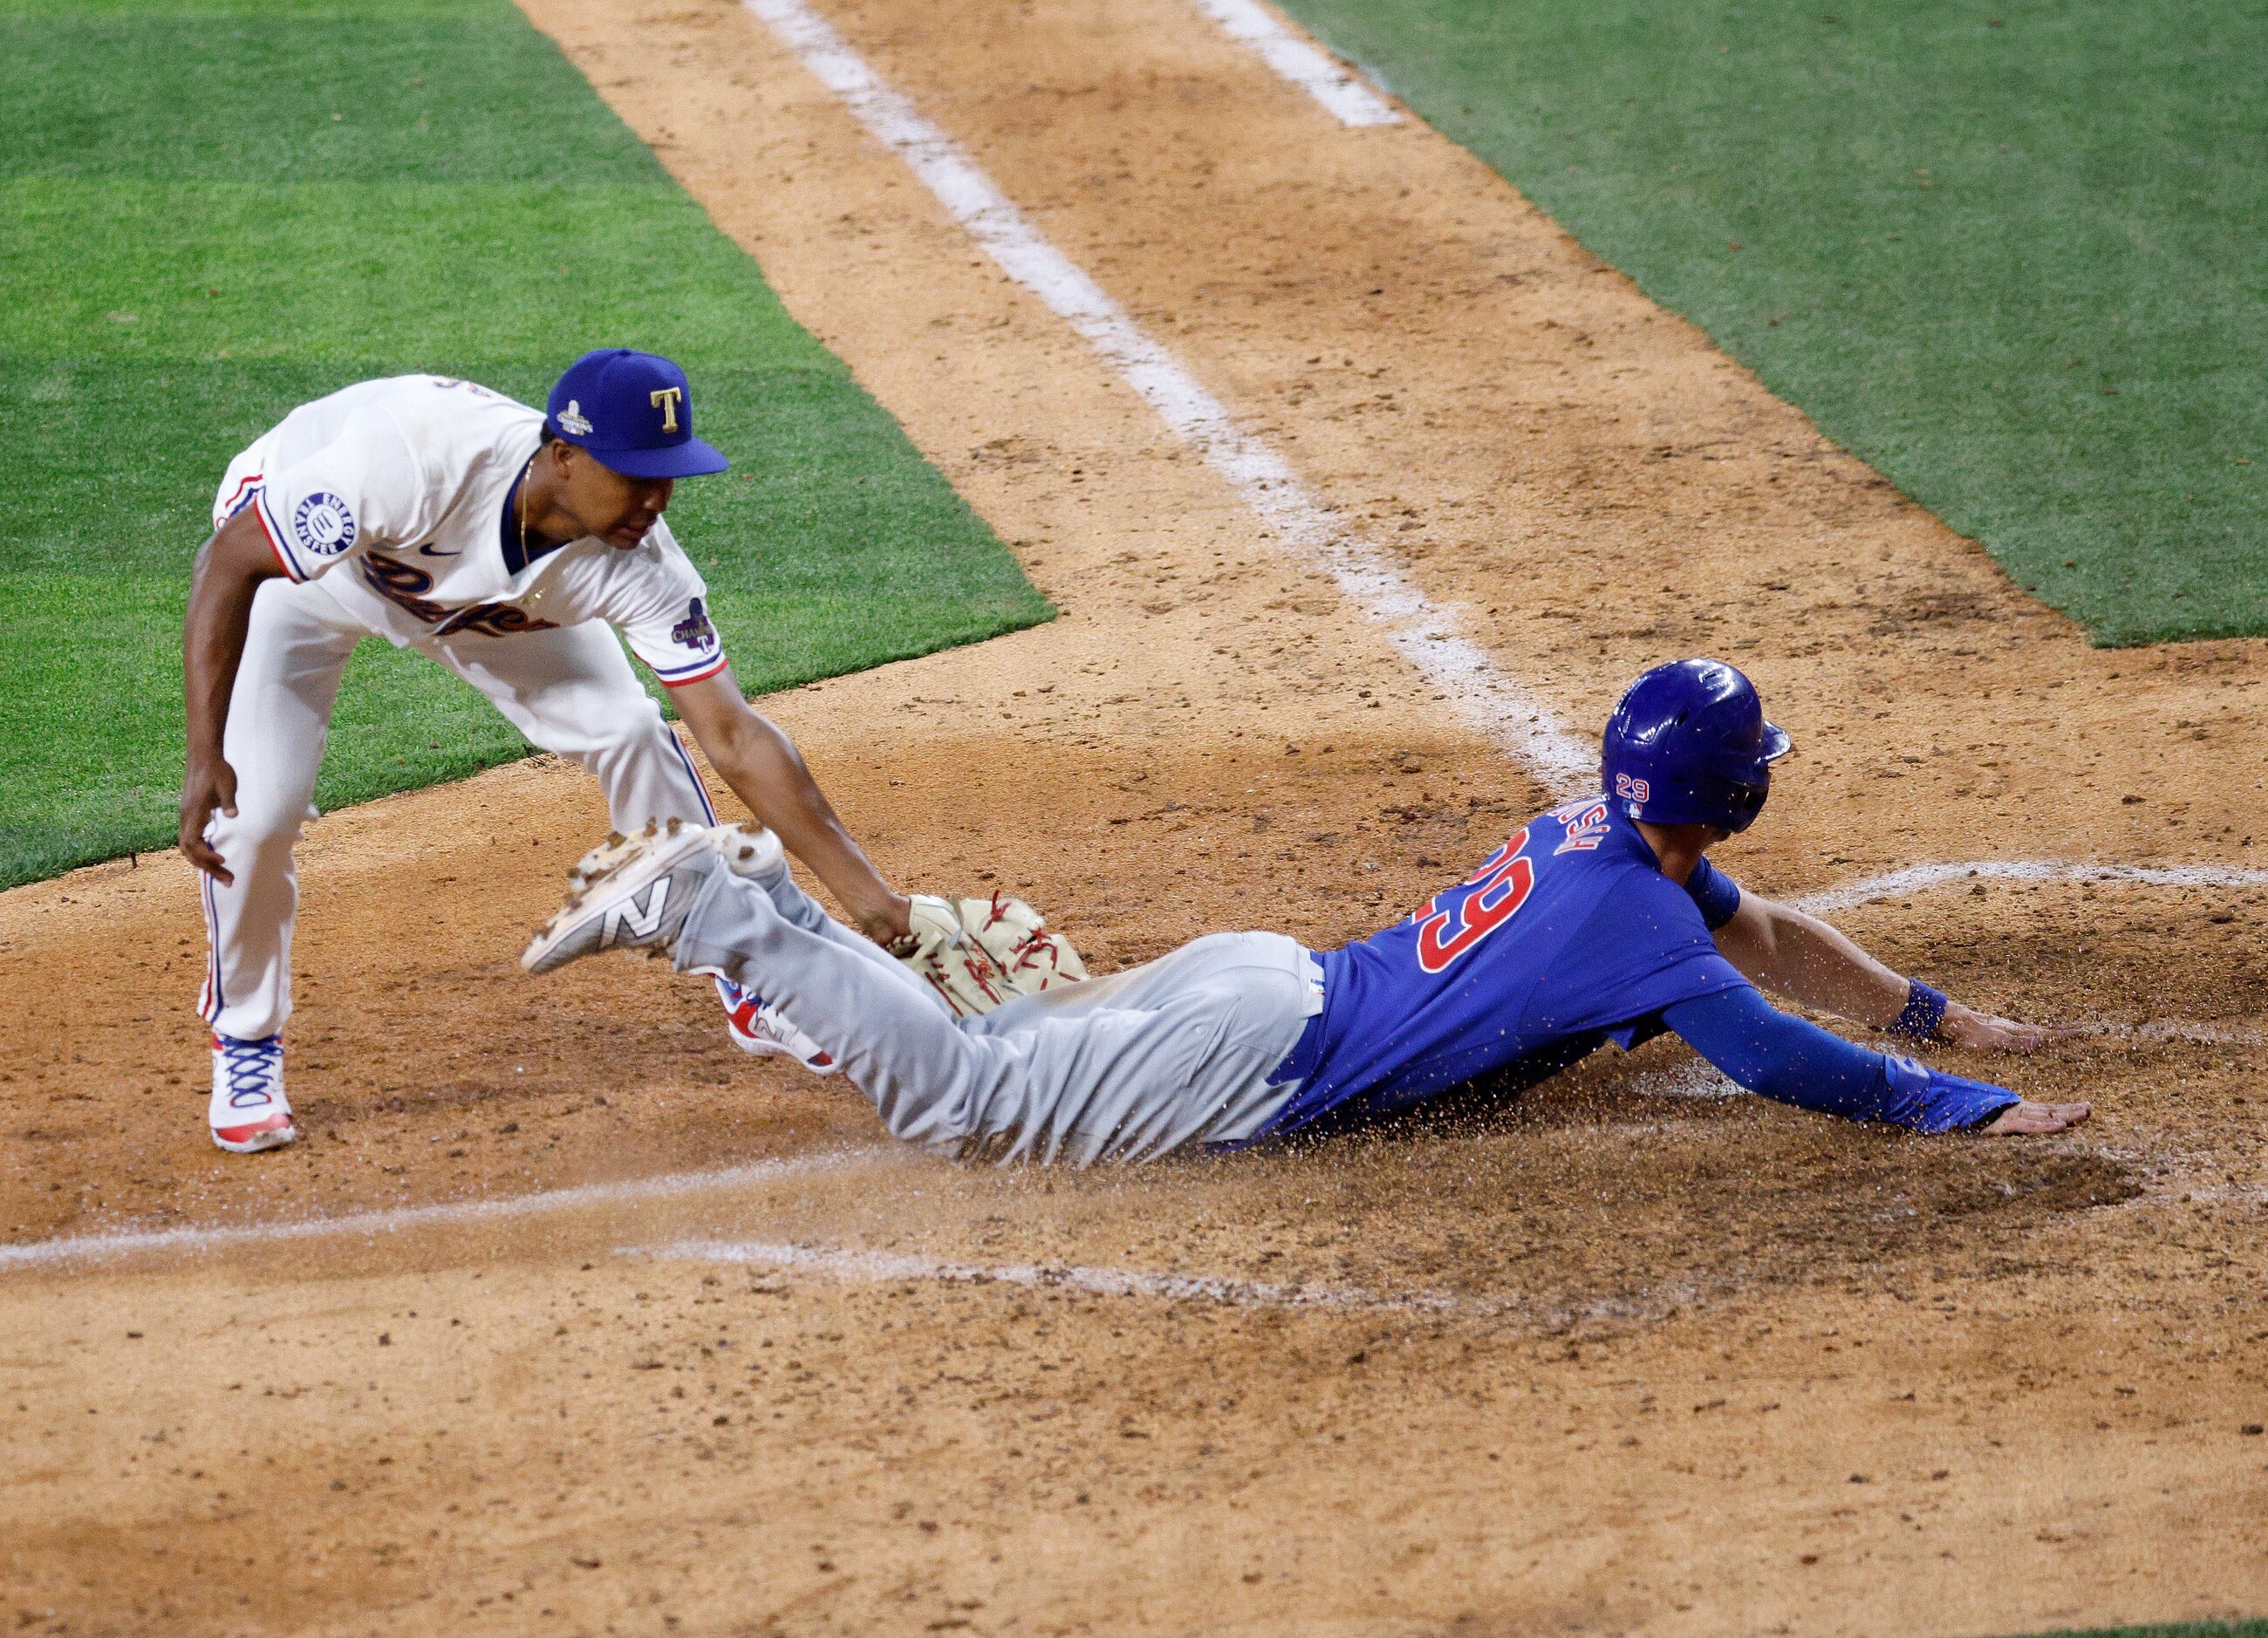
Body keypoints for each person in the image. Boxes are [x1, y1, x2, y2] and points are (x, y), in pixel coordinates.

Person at [520, 659, 2090, 1165]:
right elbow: (1770, 1050)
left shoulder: (1609, 836)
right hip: (1259, 1057)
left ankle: (749, 898)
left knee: (995, 1037)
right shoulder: (1649, 922)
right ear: (1731, 796)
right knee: (963, 1104)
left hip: (1263, 974)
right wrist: (1962, 1098)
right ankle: (721, 907)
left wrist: (1930, 1006)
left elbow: (1773, 942)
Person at [182, 350, 911, 1153]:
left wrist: (870, 898)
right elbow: (230, 562)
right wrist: (204, 755)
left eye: (668, 475)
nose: (655, 499)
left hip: (482, 608)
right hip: (310, 581)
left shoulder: (640, 561)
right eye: (635, 475)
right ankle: (246, 1043)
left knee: (630, 731)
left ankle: (747, 968)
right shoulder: (411, 459)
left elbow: (734, 737)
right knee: (256, 814)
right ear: (562, 455)